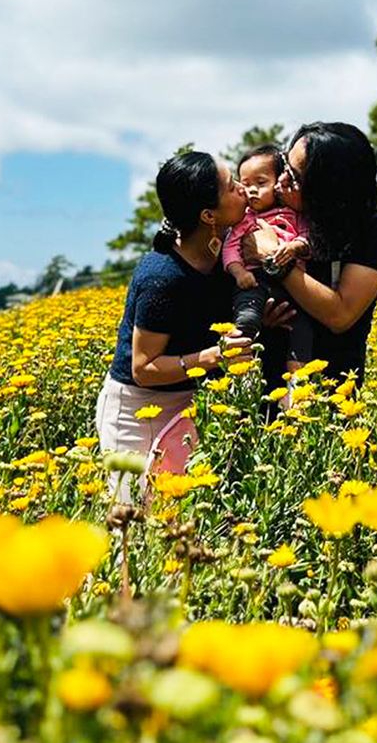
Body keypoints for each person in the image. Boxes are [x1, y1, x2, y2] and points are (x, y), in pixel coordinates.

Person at [96, 151, 285, 498]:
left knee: (185, 515)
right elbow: (144, 368)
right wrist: (215, 356)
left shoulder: (227, 254)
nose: (243, 189)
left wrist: (260, 324)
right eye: (231, 187)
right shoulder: (162, 276)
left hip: (194, 400)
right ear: (208, 215)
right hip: (139, 409)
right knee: (137, 515)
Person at [245, 122, 377, 386]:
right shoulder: (269, 209)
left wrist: (274, 260)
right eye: (283, 165)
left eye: (293, 177)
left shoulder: (373, 230)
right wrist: (258, 313)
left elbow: (340, 315)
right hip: (265, 386)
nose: (280, 181)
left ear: (326, 189)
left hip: (334, 391)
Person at [221, 145, 313, 374]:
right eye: (246, 184)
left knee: (302, 328)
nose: (252, 190)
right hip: (256, 279)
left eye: (261, 183)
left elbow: (308, 239)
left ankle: (297, 379)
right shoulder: (244, 220)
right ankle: (243, 342)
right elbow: (230, 248)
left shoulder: (294, 214)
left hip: (293, 284)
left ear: (279, 182)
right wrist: (239, 273)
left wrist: (295, 246)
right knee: (248, 303)